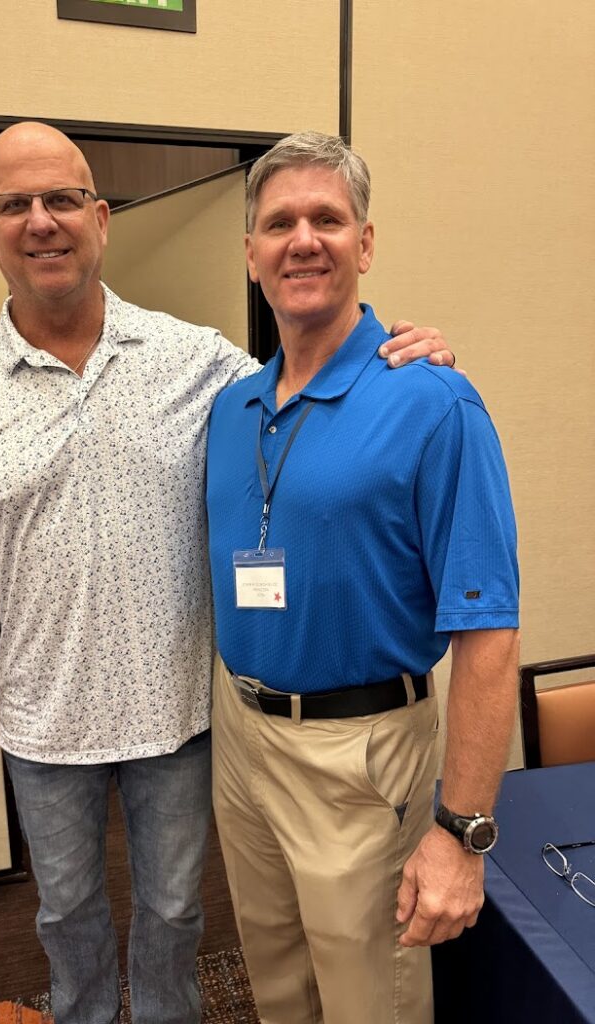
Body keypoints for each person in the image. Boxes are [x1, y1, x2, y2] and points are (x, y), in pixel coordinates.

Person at [0, 121, 455, 1024]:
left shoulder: (198, 363)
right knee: (66, 920)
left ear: (100, 219)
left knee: (173, 917)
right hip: (45, 726)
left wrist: (399, 355)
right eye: (14, 204)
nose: (41, 221)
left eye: (62, 199)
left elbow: (308, 380)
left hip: (184, 719)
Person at [206, 131, 519, 1024]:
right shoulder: (231, 407)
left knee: (368, 1001)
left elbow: (490, 635)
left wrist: (461, 834)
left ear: (366, 243)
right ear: (251, 253)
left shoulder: (434, 403)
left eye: (328, 220)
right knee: (276, 983)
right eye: (280, 224)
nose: (303, 240)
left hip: (363, 753)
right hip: (242, 738)